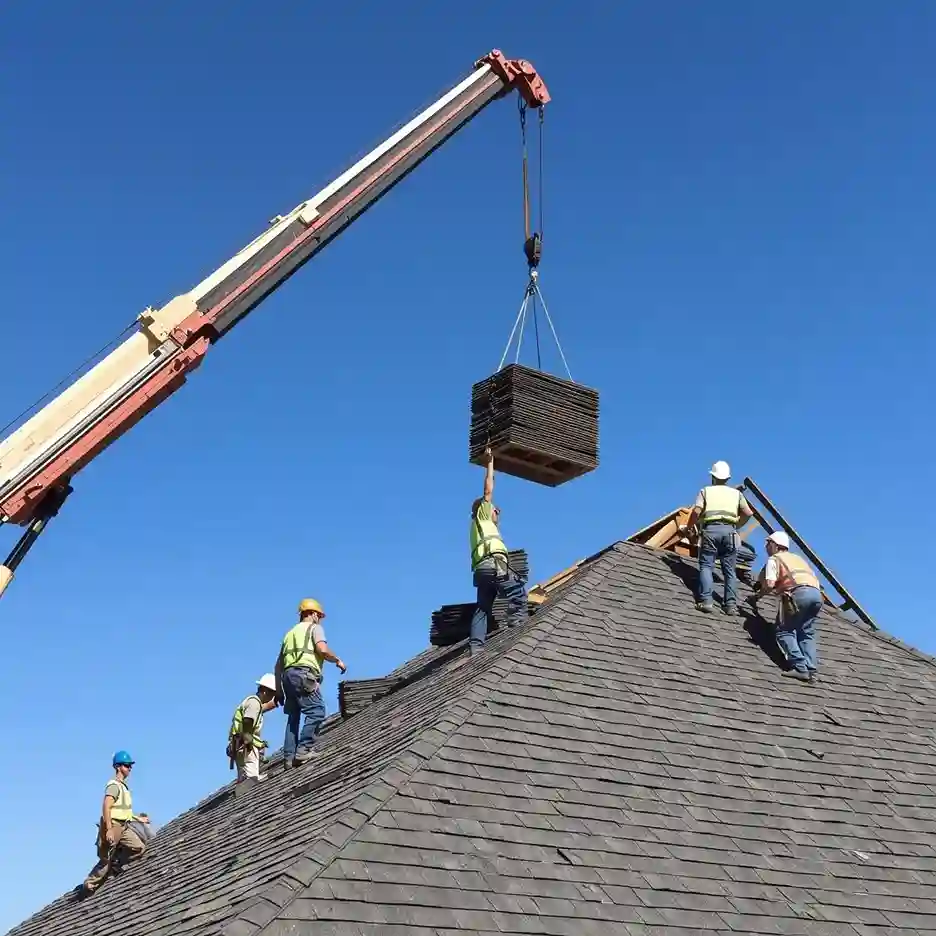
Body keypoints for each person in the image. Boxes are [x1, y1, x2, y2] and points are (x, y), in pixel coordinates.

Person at [468, 447, 527, 655]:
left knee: (482, 608)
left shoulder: (479, 528)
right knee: (517, 589)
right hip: (493, 565)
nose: (497, 511)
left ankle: (476, 647)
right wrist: (490, 462)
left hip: (481, 572)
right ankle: (518, 626)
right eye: (495, 509)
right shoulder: (481, 515)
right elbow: (488, 491)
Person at [275, 598, 346, 767]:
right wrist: (337, 660)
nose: (320, 619)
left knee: (294, 716)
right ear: (313, 614)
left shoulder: (289, 634)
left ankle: (289, 758)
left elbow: (278, 666)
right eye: (319, 616)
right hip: (303, 674)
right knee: (317, 711)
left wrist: (279, 691)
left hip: (287, 677)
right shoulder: (315, 628)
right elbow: (322, 649)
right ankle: (304, 750)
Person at [751, 530, 822, 682]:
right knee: (806, 632)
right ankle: (811, 669)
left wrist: (757, 597)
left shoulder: (774, 559)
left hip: (798, 594)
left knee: (784, 631)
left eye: (768, 544)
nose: (766, 548)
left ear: (775, 545)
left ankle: (800, 667)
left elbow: (769, 584)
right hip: (816, 595)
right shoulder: (797, 558)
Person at [685, 460, 753, 615]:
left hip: (711, 530)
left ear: (713, 477)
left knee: (707, 566)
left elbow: (696, 512)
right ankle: (730, 605)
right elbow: (748, 513)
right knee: (729, 570)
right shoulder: (736, 494)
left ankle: (706, 601)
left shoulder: (706, 491)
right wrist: (737, 525)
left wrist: (689, 528)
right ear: (728, 478)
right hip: (729, 532)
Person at [81, 750, 147, 896]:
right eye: (127, 765)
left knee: (139, 848)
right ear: (118, 767)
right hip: (114, 826)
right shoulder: (114, 785)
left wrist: (139, 819)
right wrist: (109, 829)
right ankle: (89, 885)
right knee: (105, 860)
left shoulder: (124, 787)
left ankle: (116, 865)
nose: (130, 768)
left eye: (130, 766)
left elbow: (124, 811)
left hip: (124, 826)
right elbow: (106, 806)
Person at [228, 673, 279, 783]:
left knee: (243, 778)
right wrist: (248, 739)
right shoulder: (254, 703)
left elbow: (261, 709)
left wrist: (275, 701)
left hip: (239, 744)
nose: (272, 697)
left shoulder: (253, 703)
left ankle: (243, 784)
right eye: (272, 694)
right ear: (265, 691)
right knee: (252, 779)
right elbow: (248, 720)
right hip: (245, 745)